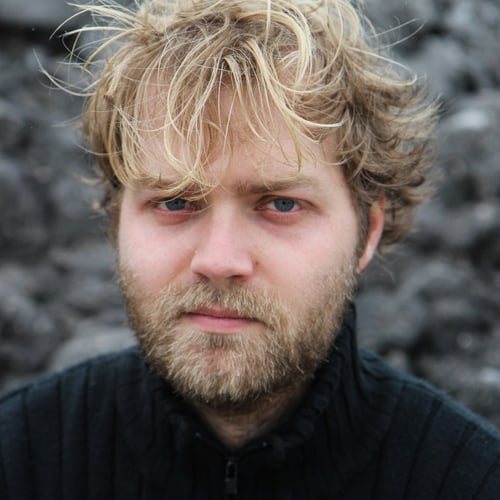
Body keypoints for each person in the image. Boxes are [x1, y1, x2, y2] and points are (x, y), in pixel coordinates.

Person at [1, 0, 499, 498]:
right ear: (115, 222)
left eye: (281, 204)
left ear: (366, 231)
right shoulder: (17, 461)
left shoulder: (473, 481)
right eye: (174, 201)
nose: (219, 261)